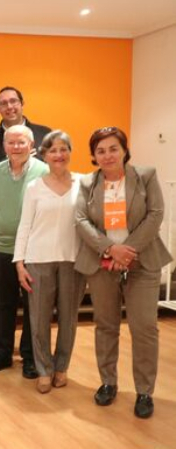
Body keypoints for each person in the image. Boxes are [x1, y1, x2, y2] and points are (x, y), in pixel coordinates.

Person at [75, 127, 171, 419]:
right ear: (94, 155)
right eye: (100, 151)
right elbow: (80, 220)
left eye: (113, 148)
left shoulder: (145, 176)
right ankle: (108, 382)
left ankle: (144, 391)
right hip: (102, 262)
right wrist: (110, 249)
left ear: (124, 150)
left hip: (142, 261)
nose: (107, 155)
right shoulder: (87, 183)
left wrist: (127, 251)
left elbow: (155, 214)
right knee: (106, 325)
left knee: (144, 328)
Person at [13, 131, 85, 393]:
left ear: (70, 152)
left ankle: (61, 367)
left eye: (64, 149)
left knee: (69, 318)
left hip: (73, 260)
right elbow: (25, 225)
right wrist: (19, 263)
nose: (59, 154)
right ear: (44, 155)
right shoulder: (34, 187)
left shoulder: (84, 183)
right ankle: (44, 369)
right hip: (38, 259)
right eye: (53, 150)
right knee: (39, 319)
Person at [0, 125, 49, 378]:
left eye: (21, 142)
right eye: (11, 142)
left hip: (33, 249)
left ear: (31, 145)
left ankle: (29, 357)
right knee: (5, 303)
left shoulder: (43, 171)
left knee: (33, 306)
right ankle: (3, 354)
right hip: (1, 246)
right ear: (4, 146)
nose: (16, 147)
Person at [0, 86, 51, 168]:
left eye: (13, 101)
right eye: (4, 103)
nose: (9, 106)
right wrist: (11, 161)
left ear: (22, 104)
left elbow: (55, 166)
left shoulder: (45, 134)